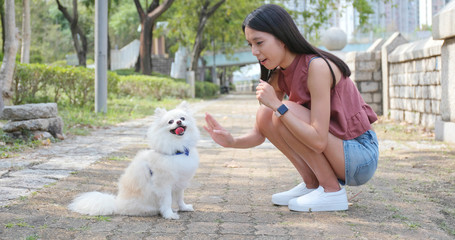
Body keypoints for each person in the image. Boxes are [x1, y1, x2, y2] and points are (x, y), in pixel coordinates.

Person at [203, 4, 379, 212]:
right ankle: (312, 185)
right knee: (266, 114)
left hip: (359, 155)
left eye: (259, 42)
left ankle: (332, 191)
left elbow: (319, 139)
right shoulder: (278, 74)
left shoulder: (317, 66)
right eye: (250, 44)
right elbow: (261, 132)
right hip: (338, 152)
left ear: (282, 37)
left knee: (282, 111)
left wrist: (279, 106)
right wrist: (231, 142)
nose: (254, 51)